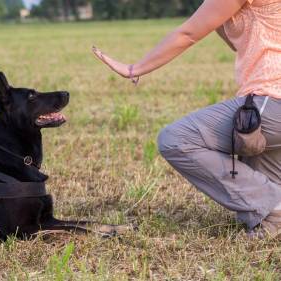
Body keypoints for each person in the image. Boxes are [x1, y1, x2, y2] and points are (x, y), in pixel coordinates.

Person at [92, 0, 281, 238]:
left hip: (272, 98)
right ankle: (272, 217)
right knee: (257, 156)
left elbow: (188, 33)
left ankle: (273, 204)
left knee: (176, 139)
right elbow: (236, 40)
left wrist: (134, 69)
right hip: (272, 101)